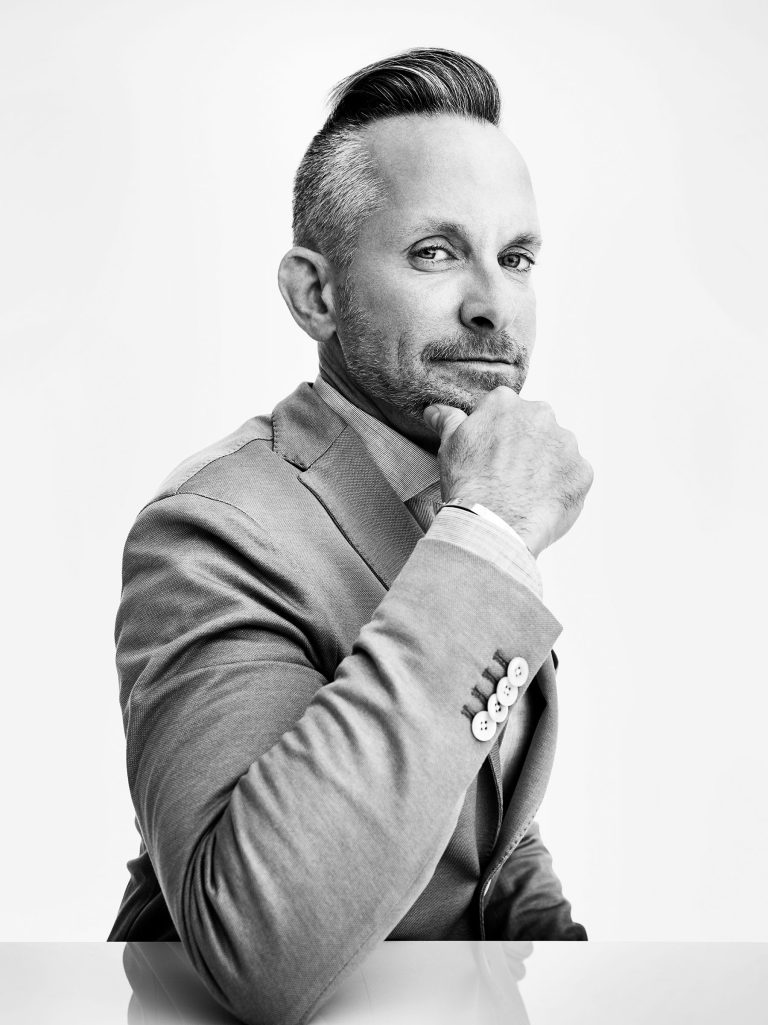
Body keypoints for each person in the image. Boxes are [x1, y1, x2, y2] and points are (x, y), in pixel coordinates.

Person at [108, 47, 593, 1025]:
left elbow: (479, 829)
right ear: (314, 295)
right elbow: (259, 942)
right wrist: (491, 535)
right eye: (436, 251)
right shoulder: (212, 524)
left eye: (518, 257)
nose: (494, 306)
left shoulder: (452, 494)